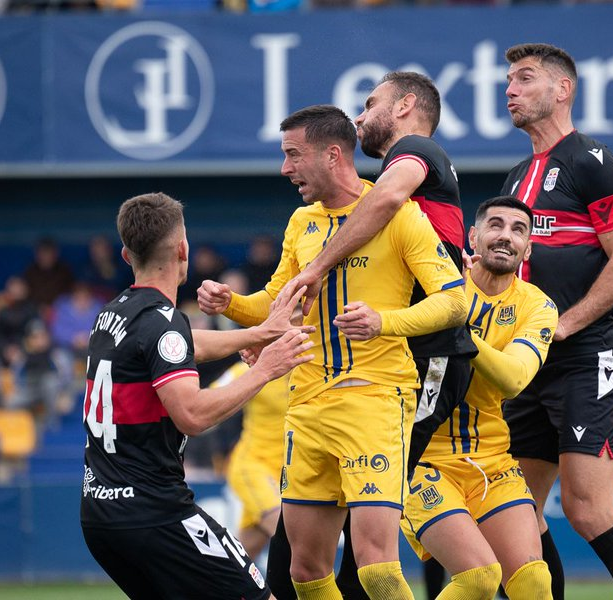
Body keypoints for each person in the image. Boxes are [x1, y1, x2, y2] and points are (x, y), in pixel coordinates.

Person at [203, 72, 477, 599]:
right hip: (305, 406)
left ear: (332, 155)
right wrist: (232, 304)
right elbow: (278, 303)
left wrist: (384, 321)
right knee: (305, 570)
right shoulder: (300, 224)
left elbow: (455, 300)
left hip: (375, 398)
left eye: (292, 155)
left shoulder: (401, 215)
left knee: (375, 564)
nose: (284, 169)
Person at [80, 192, 314, 600]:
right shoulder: (163, 321)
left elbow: (183, 343)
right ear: (183, 249)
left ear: (125, 254)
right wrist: (265, 368)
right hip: (155, 511)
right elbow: (191, 414)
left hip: (99, 513)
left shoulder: (113, 312)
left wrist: (259, 333)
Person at [499, 43, 613, 600]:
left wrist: (564, 324)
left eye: (524, 79)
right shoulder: (517, 175)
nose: (510, 89)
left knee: (588, 509)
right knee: (515, 514)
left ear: (562, 90)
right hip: (528, 363)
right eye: (509, 80)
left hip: (587, 357)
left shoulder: (591, 162)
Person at [401, 195, 556, 599]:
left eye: (518, 230)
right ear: (473, 236)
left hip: (493, 459)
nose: (506, 236)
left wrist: (458, 331)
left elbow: (515, 378)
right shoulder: (438, 285)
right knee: (478, 578)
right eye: (496, 225)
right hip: (423, 458)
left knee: (535, 582)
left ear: (528, 247)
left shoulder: (537, 305)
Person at [223, 360, 289, 559]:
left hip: (288, 472)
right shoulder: (248, 370)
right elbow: (202, 401)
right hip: (253, 467)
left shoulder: (312, 370)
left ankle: (205, 587)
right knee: (290, 535)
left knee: (245, 553)